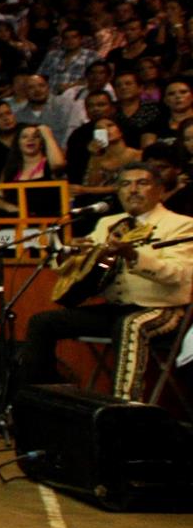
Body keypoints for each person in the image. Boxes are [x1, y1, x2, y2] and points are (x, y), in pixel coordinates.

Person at [19, 165, 193, 401]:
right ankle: (43, 399)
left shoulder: (181, 224)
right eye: (125, 184)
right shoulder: (108, 223)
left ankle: (124, 407)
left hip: (162, 308)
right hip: (116, 308)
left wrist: (133, 256)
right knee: (42, 322)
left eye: (142, 183)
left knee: (130, 325)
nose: (133, 190)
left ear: (160, 190)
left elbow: (179, 275)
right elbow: (76, 267)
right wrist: (70, 254)